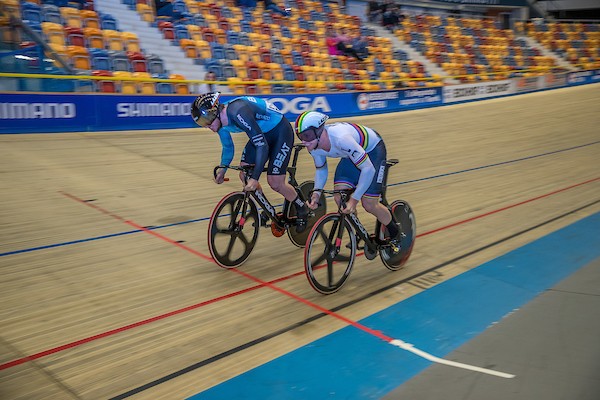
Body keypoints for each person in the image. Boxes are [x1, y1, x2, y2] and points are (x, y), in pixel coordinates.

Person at [191, 92, 309, 232]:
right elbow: (228, 147)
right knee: (244, 175)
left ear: (214, 112)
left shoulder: (237, 112)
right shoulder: (219, 122)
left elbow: (262, 146)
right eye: (202, 123)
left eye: (207, 121)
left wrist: (255, 178)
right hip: (262, 132)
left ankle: (302, 207)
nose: (207, 126)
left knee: (275, 182)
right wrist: (223, 171)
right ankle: (268, 209)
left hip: (280, 131)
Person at [294, 111, 401, 249]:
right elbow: (321, 170)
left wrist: (354, 199)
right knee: (340, 198)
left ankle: (395, 232)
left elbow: (369, 169)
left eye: (306, 136)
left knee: (368, 204)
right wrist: (316, 194)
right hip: (350, 154)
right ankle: (357, 233)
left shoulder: (341, 139)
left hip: (373, 151)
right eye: (300, 136)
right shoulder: (313, 145)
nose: (303, 141)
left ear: (319, 130)